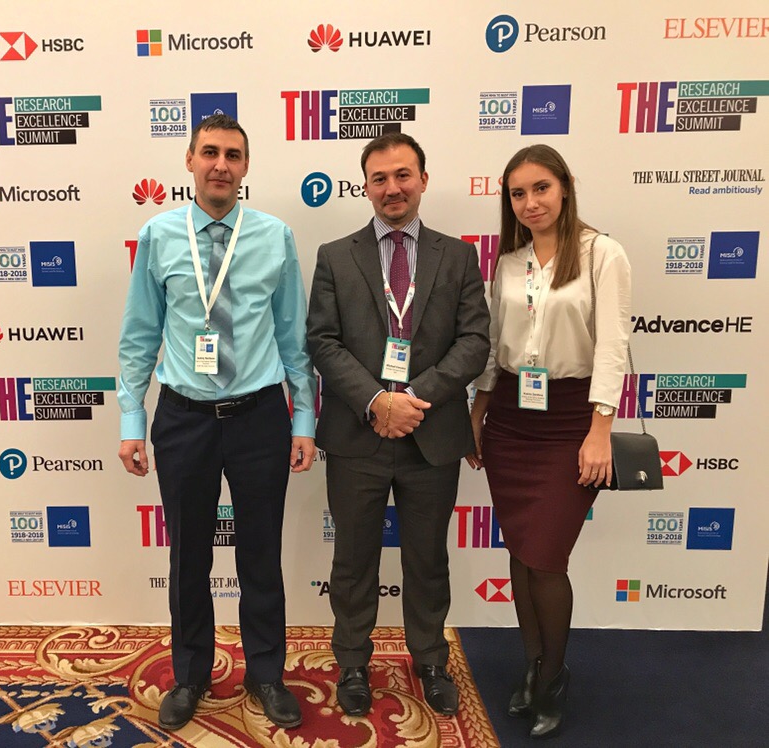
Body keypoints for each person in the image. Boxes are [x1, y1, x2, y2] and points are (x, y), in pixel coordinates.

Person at [117, 114, 316, 731]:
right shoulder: (158, 234)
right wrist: (131, 419)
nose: (220, 165)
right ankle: (191, 675)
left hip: (259, 418)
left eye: (232, 155)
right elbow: (139, 335)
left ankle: (266, 674)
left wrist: (304, 419)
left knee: (260, 554)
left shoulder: (275, 236)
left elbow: (293, 337)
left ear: (246, 166)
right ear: (189, 160)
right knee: (188, 558)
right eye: (209, 152)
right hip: (184, 419)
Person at [307, 132, 490, 718]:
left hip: (430, 434)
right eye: (380, 178)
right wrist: (376, 401)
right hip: (357, 434)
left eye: (403, 175)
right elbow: (322, 341)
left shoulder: (457, 256)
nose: (392, 188)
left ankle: (430, 659)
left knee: (428, 558)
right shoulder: (335, 256)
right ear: (365, 186)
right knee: (353, 560)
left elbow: (474, 341)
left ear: (423, 180)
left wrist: (412, 397)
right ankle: (352, 663)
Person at [467, 144, 631, 739]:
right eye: (518, 193)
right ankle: (533, 667)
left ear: (565, 186)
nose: (530, 202)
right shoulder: (509, 263)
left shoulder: (601, 253)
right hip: (512, 418)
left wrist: (600, 429)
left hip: (570, 421)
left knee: (546, 557)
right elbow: (495, 345)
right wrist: (478, 411)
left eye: (541, 188)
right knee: (520, 552)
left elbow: (613, 345)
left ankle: (555, 675)